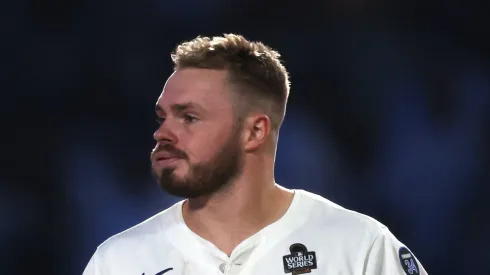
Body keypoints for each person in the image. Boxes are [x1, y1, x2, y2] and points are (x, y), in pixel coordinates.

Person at [82, 33, 428, 275]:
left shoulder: (359, 248)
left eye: (189, 118)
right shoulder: (118, 262)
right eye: (162, 117)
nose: (162, 133)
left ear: (255, 131)